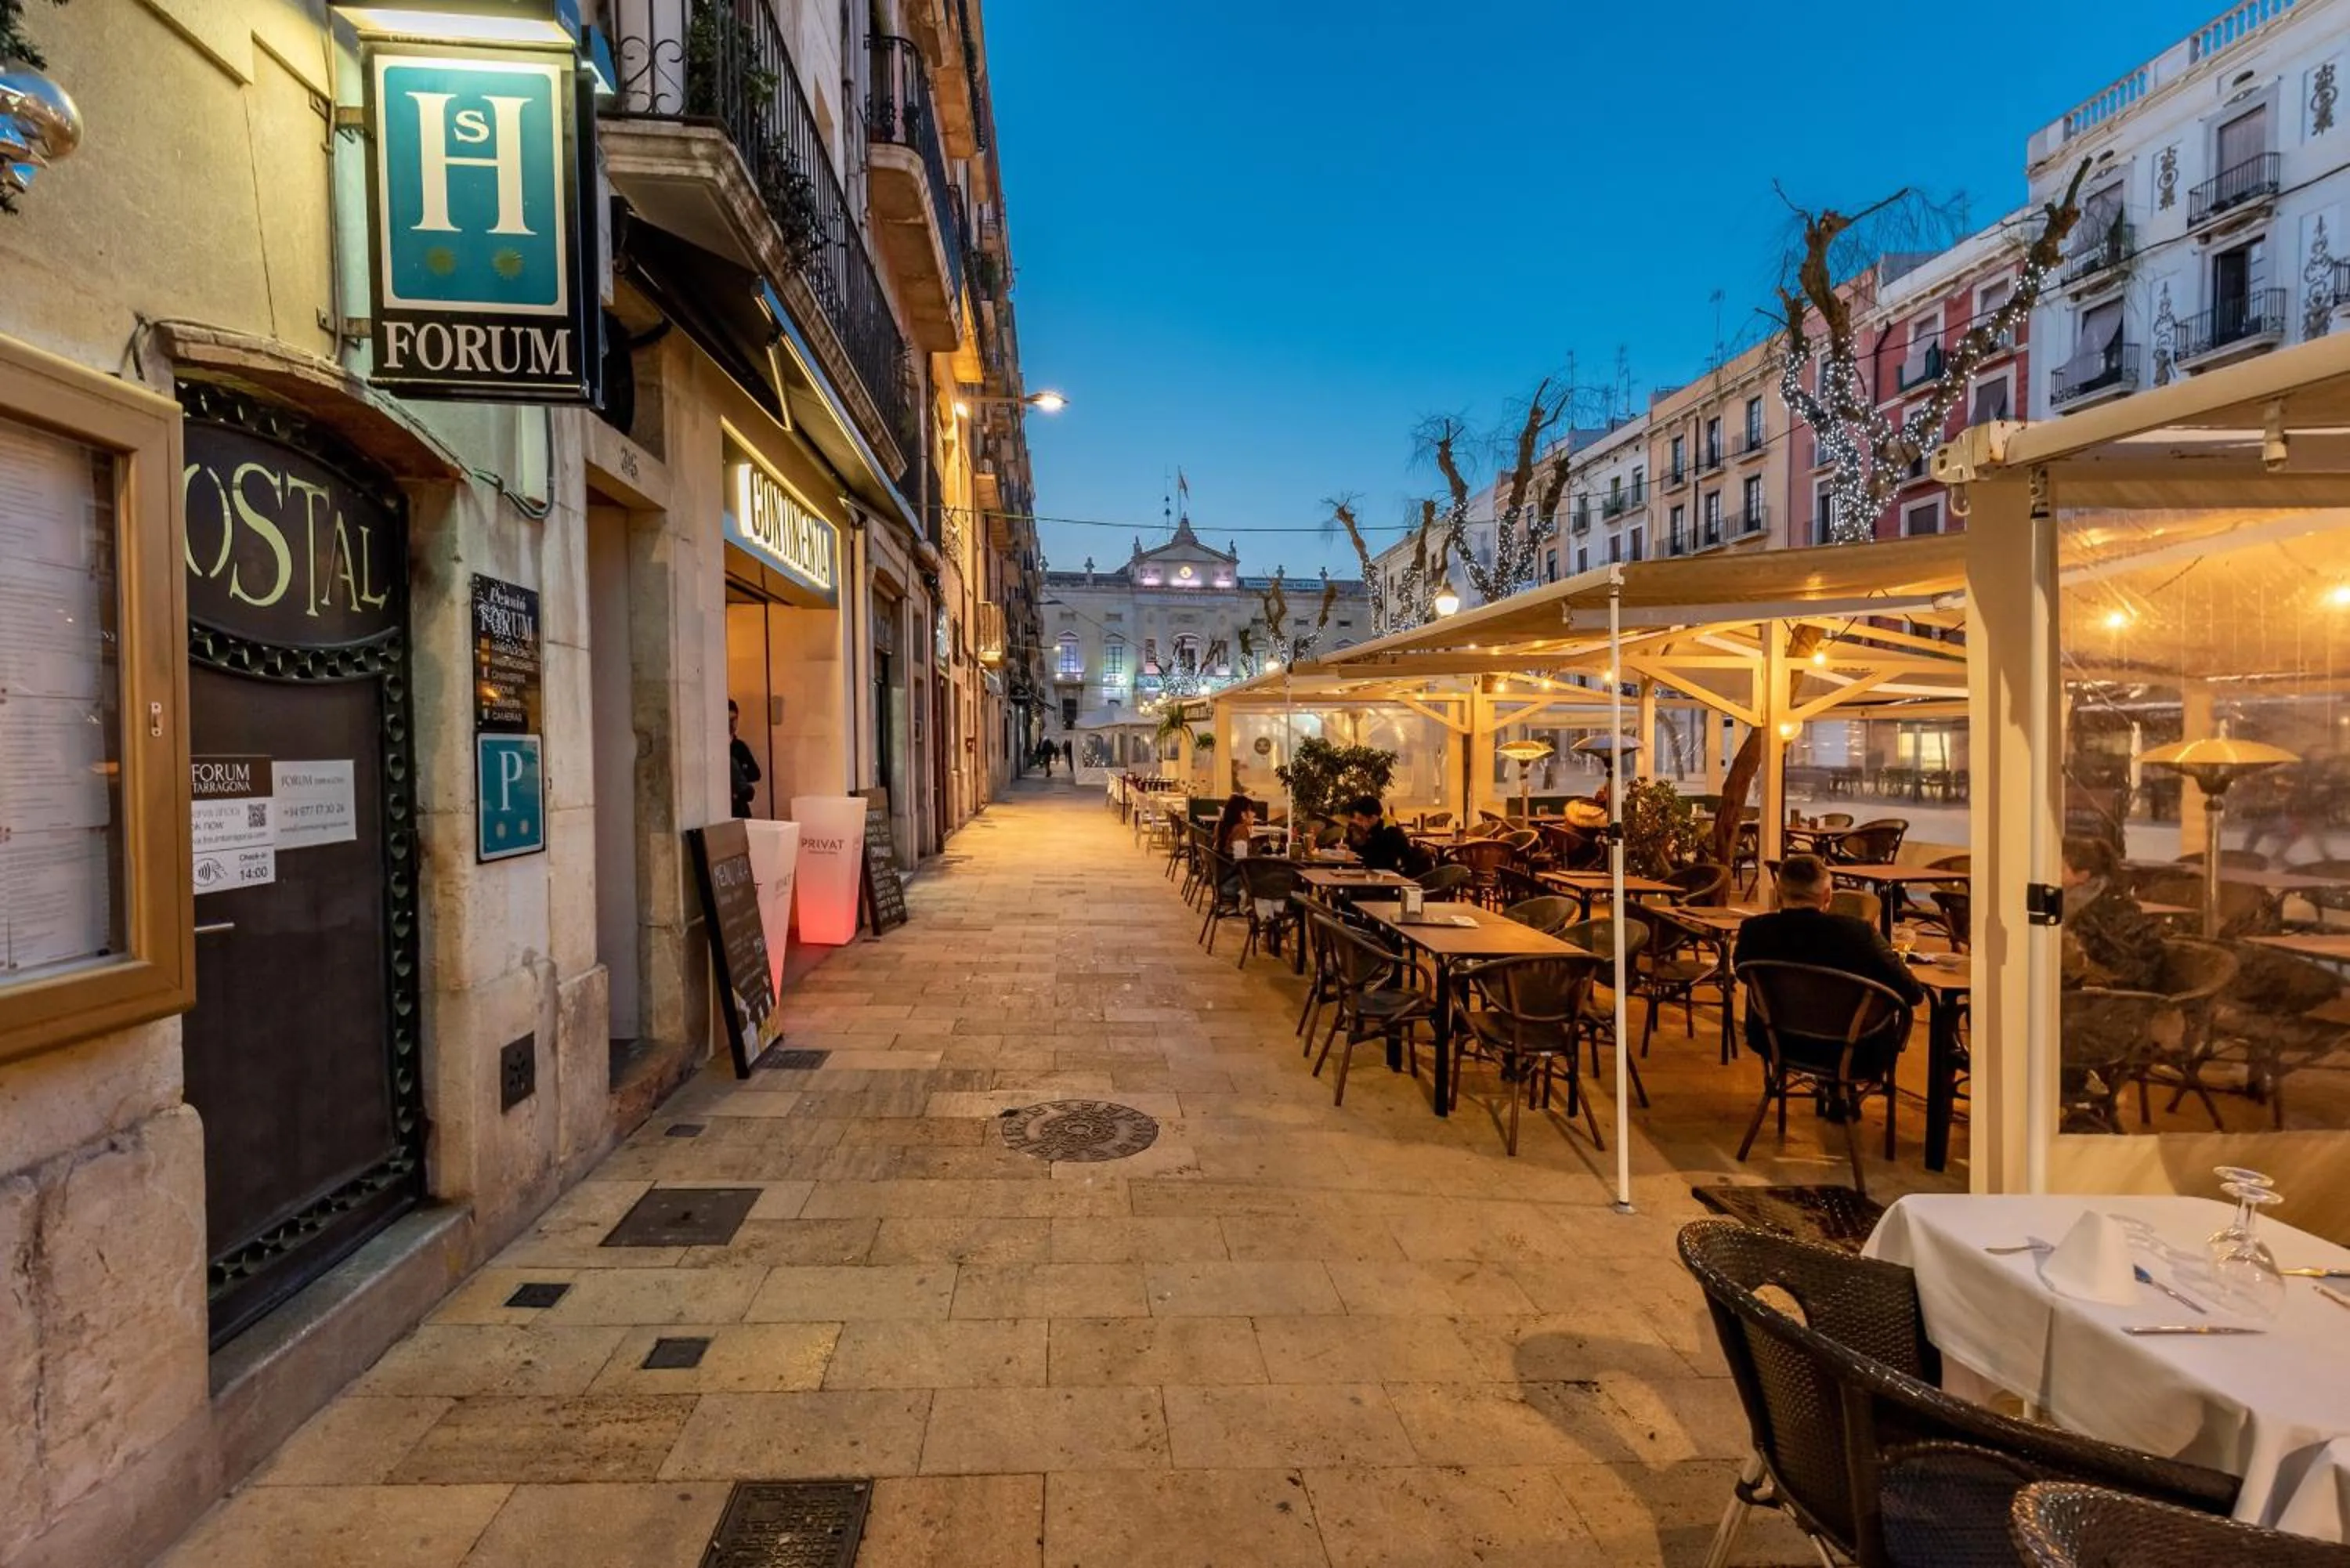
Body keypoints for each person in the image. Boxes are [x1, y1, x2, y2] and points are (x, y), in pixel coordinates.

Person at [1733, 854, 1923, 1058]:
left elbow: (1744, 974)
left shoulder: (1754, 931)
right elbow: (1913, 992)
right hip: (1852, 1049)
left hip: (1776, 1041)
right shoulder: (1859, 934)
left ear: (1778, 891)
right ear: (1828, 895)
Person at [2060, 835, 2167, 992]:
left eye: (2061, 869)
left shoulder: (2098, 913)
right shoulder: (2097, 899)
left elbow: (2122, 970)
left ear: (2083, 876)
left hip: (2119, 994)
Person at [1345, 795, 1433, 877]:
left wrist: (1356, 852)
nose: (1358, 823)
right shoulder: (1364, 830)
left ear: (1373, 818)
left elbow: (1380, 863)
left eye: (1360, 819)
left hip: (1390, 879)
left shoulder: (1390, 833)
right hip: (1374, 877)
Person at [728, 699, 760, 818]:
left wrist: (739, 773)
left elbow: (755, 774)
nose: (731, 725)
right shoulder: (715, 747)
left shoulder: (740, 746)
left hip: (740, 807)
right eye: (728, 720)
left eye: (734, 719)